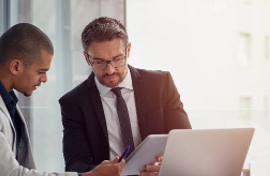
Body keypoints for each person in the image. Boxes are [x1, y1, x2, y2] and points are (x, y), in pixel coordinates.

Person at [0, 23, 125, 176]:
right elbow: (11, 175)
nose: (44, 79)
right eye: (41, 72)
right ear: (15, 66)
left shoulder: (0, 97)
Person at [59, 17, 192, 175]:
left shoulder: (161, 84)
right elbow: (75, 165)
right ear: (87, 58)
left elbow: (186, 144)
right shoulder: (73, 103)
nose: (110, 70)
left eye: (117, 59)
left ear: (128, 50)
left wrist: (167, 166)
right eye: (99, 62)